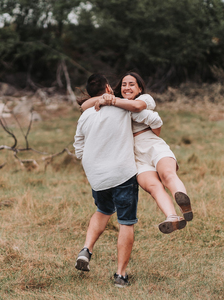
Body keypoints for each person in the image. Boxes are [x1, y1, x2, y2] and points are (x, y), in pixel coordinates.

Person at [72, 73, 165, 287]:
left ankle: (86, 249)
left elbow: (79, 149)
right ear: (107, 89)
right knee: (126, 222)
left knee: (103, 211)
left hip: (97, 176)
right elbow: (149, 117)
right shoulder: (123, 107)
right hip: (122, 173)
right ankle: (120, 275)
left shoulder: (85, 115)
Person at [80, 72, 193, 224]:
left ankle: (183, 201)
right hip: (134, 157)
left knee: (167, 175)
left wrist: (112, 101)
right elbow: (84, 106)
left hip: (152, 146)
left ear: (140, 88)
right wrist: (105, 98)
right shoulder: (115, 102)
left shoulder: (144, 99)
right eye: (124, 84)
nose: (127, 87)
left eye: (131, 84)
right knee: (153, 187)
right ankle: (172, 217)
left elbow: (138, 108)